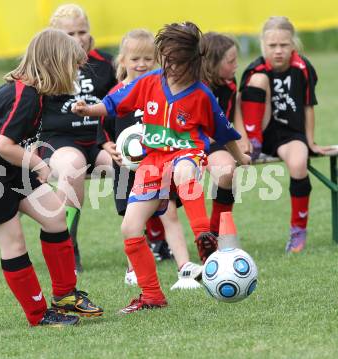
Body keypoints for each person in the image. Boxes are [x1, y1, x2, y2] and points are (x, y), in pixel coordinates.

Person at [73, 22, 250, 313]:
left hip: (187, 153)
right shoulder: (150, 82)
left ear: (192, 62)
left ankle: (204, 237)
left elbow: (226, 133)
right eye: (166, 59)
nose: (170, 67)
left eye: (177, 62)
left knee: (183, 171)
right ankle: (152, 295)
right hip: (152, 162)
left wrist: (241, 160)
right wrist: (88, 109)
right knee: (130, 227)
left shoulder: (202, 94)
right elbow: (115, 103)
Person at [0, 29, 103, 327]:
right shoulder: (25, 95)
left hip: (4, 164)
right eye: (73, 65)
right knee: (14, 242)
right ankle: (38, 315)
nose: (75, 73)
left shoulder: (37, 93)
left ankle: (65, 294)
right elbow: (2, 144)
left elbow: (12, 143)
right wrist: (37, 165)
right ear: (56, 63)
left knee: (56, 217)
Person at [97, 29, 202, 289]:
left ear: (157, 61)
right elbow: (102, 125)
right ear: (122, 61)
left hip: (158, 165)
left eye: (147, 59)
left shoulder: (163, 90)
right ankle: (133, 269)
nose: (141, 64)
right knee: (132, 223)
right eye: (135, 59)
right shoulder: (116, 93)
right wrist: (107, 144)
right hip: (126, 169)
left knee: (169, 216)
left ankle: (185, 268)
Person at [239, 16, 332, 253]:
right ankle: (255, 142)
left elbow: (309, 106)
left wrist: (310, 141)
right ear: (263, 45)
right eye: (272, 46)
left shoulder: (302, 68)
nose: (278, 50)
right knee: (258, 81)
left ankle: (298, 230)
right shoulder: (255, 69)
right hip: (261, 131)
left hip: (290, 134)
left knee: (299, 164)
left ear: (293, 44)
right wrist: (243, 141)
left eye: (284, 45)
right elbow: (240, 105)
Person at [39, 4, 116, 272]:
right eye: (70, 33)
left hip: (99, 139)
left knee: (128, 164)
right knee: (72, 167)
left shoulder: (106, 63)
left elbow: (122, 102)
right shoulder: (45, 66)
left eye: (82, 31)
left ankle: (148, 239)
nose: (78, 38)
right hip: (60, 141)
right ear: (56, 35)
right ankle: (67, 247)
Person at [201, 32, 250, 236]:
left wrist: (243, 139)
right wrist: (231, 143)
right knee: (169, 191)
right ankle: (158, 238)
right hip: (189, 143)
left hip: (217, 141)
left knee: (227, 171)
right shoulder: (194, 86)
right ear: (212, 63)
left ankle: (217, 233)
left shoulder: (229, 81)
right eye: (231, 61)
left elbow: (233, 110)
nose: (236, 65)